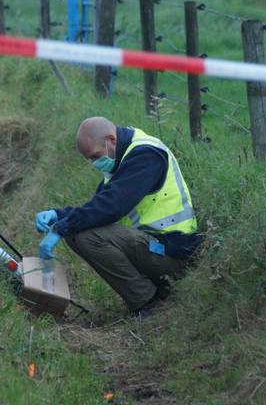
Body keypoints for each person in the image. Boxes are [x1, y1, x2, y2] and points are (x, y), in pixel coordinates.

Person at [35, 116, 203, 316]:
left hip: (171, 249)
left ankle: (149, 299)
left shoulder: (146, 155)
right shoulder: (121, 158)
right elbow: (96, 209)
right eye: (90, 159)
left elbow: (112, 206)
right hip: (151, 245)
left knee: (85, 235)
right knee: (76, 230)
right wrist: (58, 215)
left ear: (111, 140)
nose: (94, 163)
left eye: (96, 156)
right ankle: (151, 289)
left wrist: (62, 227)